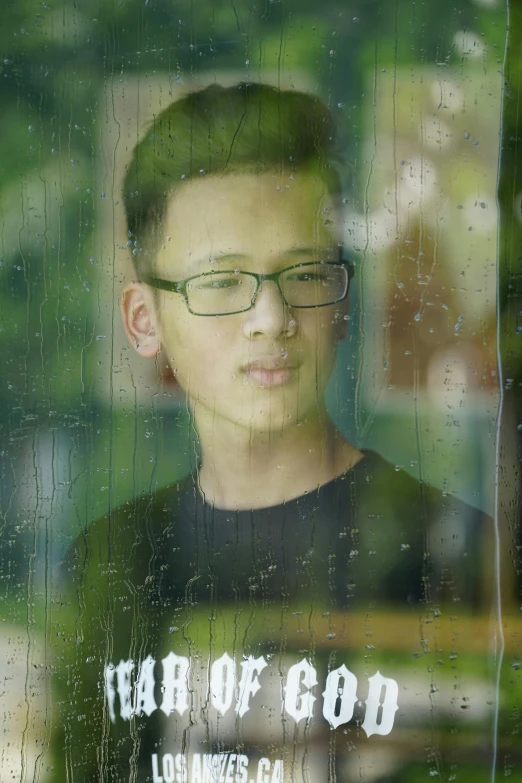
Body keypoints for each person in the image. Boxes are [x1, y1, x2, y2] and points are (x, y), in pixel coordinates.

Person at [50, 83, 493, 782]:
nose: (270, 316)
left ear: (341, 300)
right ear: (144, 320)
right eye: (222, 280)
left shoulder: (448, 546)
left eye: (304, 272)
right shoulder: (115, 560)